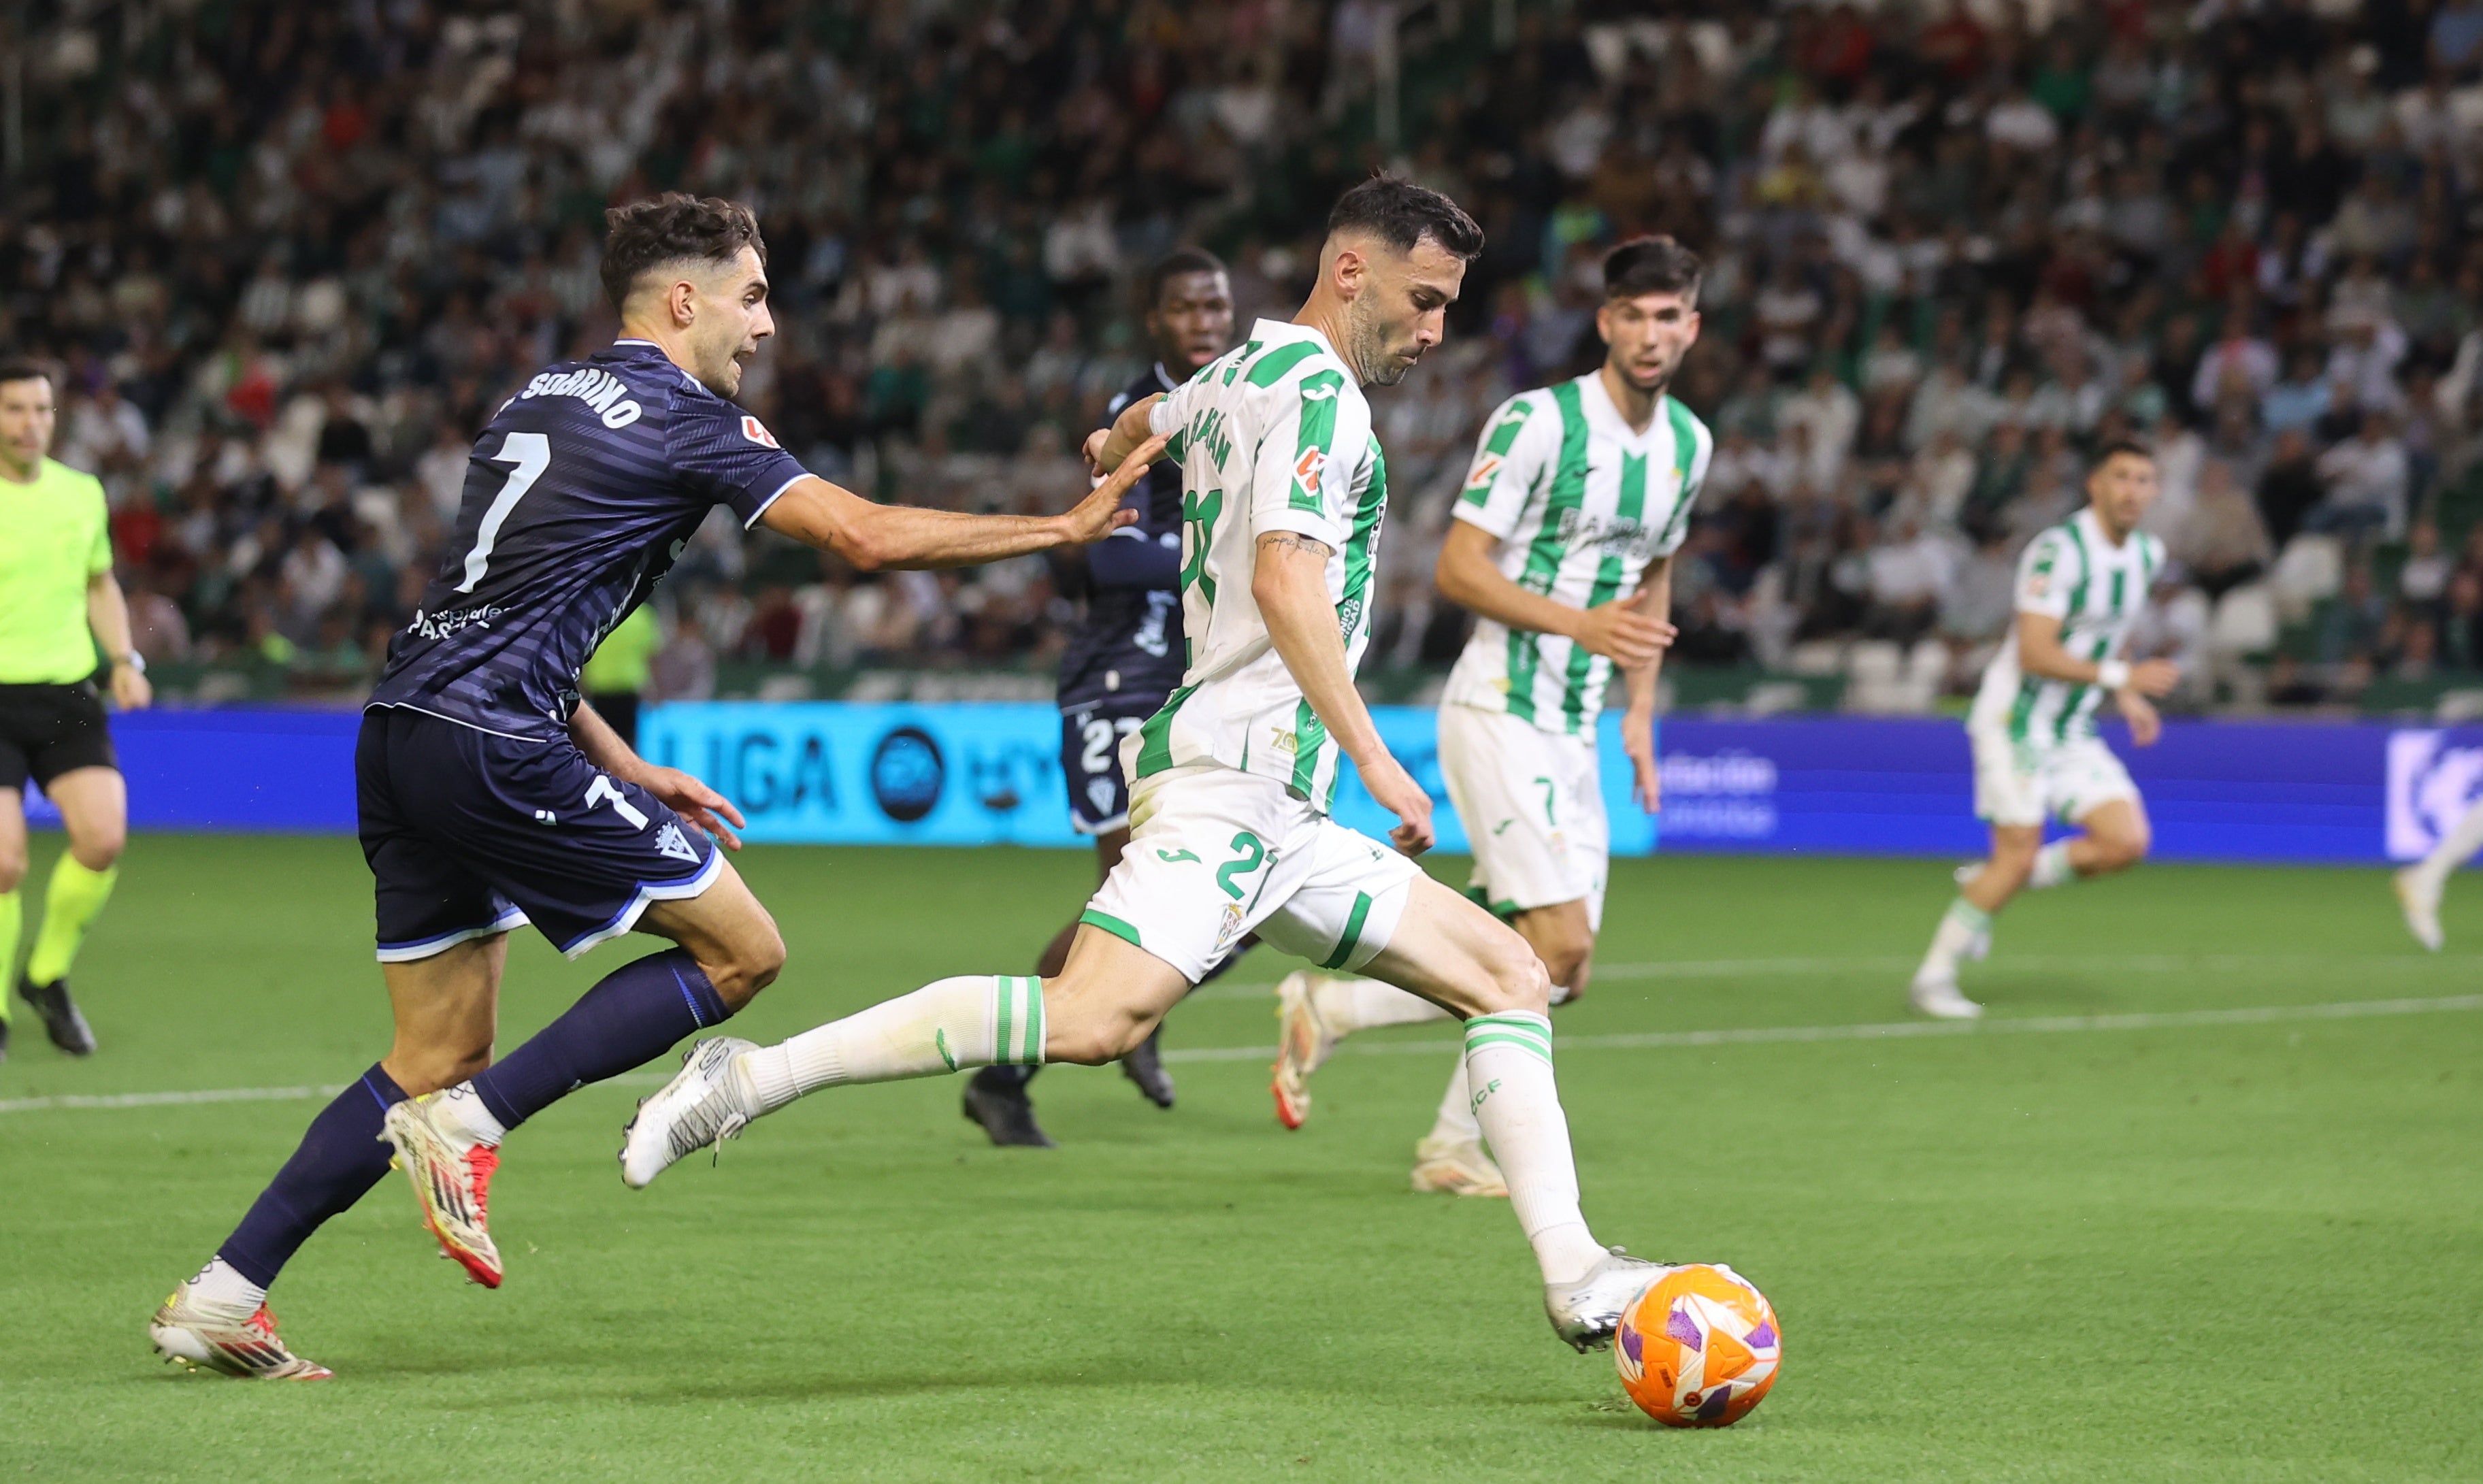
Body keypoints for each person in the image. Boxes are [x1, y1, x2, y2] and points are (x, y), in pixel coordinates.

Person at [623, 178, 1696, 1355]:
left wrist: (1110, 444)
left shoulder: (1235, 374)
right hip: (1232, 790)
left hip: (1274, 806)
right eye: (1423, 299)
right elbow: (1288, 583)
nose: (1435, 329)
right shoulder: (1321, 402)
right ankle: (747, 1080)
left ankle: (1575, 1270)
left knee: (1506, 971)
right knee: (1087, 1021)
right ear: (1349, 271)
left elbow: (1143, 426)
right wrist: (1378, 761)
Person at [146, 194, 1155, 1380]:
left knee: (436, 1045)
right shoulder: (690, 418)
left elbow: (500, 601)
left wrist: (620, 762)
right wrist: (1062, 524)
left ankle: (221, 1295)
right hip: (492, 738)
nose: (766, 327)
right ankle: (466, 1132)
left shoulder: (537, 395)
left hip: (402, 729)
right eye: (752, 296)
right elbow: (865, 536)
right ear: (685, 302)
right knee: (742, 951)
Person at [1262, 237, 1709, 1199]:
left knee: (1553, 970)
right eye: (1632, 314)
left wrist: (1638, 710)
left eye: (1668, 316)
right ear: (1605, 323)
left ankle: (1339, 1015)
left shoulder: (1689, 446)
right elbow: (1459, 567)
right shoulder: (1540, 423)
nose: (1649, 333)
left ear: (1692, 328)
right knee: (1560, 948)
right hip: (1500, 709)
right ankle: (1445, 1141)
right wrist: (1579, 622)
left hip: (1578, 724)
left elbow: (1656, 569)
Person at [961, 249, 1248, 1147]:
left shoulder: (1243, 399)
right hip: (1118, 681)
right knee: (1132, 897)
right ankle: (1003, 1076)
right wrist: (1227, 565)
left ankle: (1139, 1015)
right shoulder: (1133, 416)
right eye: (1186, 307)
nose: (1204, 319)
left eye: (1216, 305)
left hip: (1201, 684)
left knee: (1244, 899)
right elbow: (1111, 551)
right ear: (1156, 320)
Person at [1909, 442, 2179, 1018]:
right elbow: (2034, 652)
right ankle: (1933, 976)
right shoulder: (2058, 551)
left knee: (2124, 842)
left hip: (2071, 725)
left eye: (2143, 480)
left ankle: (1985, 885)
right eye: (2121, 477)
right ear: (2095, 485)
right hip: (2015, 721)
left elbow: (2111, 630)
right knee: (2018, 851)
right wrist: (2120, 675)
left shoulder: (2146, 556)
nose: (2132, 490)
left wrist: (2126, 693)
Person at [0, 360, 152, 1065]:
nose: (31, 424)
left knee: (103, 839)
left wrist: (123, 659)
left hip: (65, 693)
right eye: (15, 410)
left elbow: (100, 583)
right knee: (3, 864)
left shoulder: (80, 494)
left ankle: (44, 975)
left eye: (41, 410)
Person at [578, 602, 659, 751]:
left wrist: (581, 685)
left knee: (600, 744)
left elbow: (584, 653)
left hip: (600, 687)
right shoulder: (644, 616)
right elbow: (651, 657)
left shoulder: (595, 613)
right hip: (629, 688)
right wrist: (655, 688)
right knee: (627, 744)